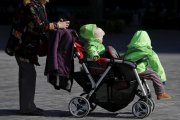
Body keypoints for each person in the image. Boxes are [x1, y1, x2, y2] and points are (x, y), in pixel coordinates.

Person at [4, 0, 70, 116]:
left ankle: (27, 106)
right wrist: (57, 25)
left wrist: (55, 23)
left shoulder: (39, 4)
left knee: (26, 75)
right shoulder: (29, 5)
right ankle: (27, 107)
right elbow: (39, 26)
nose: (48, 0)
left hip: (28, 47)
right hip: (22, 46)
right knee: (29, 74)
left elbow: (43, 22)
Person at [120, 30, 171, 100]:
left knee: (149, 71)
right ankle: (160, 93)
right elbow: (156, 64)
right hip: (139, 70)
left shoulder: (129, 50)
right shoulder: (148, 51)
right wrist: (162, 79)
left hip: (128, 71)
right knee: (154, 74)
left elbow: (122, 58)